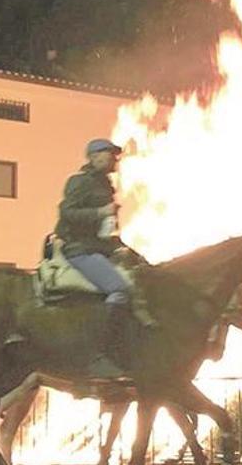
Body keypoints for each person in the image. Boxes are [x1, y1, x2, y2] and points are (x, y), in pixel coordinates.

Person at [54, 138, 156, 379]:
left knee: (143, 278)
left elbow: (107, 231)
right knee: (118, 289)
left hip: (101, 249)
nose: (113, 159)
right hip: (80, 250)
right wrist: (100, 212)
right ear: (94, 156)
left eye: (114, 155)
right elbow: (66, 213)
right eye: (108, 154)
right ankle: (98, 355)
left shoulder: (106, 187)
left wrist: (132, 254)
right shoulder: (79, 181)